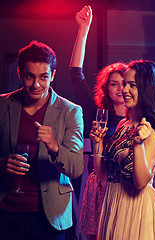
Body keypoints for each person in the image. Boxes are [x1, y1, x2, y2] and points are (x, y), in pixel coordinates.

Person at [0, 41, 84, 239]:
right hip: (5, 213)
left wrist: (55, 147)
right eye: (30, 76)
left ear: (53, 75)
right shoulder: (2, 105)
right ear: (20, 74)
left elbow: (75, 168)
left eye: (43, 77)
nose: (36, 84)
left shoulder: (71, 111)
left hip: (49, 217)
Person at [91, 60, 155, 240]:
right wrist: (97, 143)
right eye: (124, 84)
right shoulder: (123, 124)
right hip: (113, 203)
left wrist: (138, 145)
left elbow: (140, 182)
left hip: (137, 208)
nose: (125, 90)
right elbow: (104, 174)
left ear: (147, 89)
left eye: (132, 85)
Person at [69, 6, 127, 240]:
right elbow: (76, 73)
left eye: (125, 83)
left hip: (127, 187)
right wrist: (83, 30)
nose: (121, 88)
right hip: (100, 185)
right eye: (114, 83)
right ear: (106, 87)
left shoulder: (139, 116)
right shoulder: (98, 112)